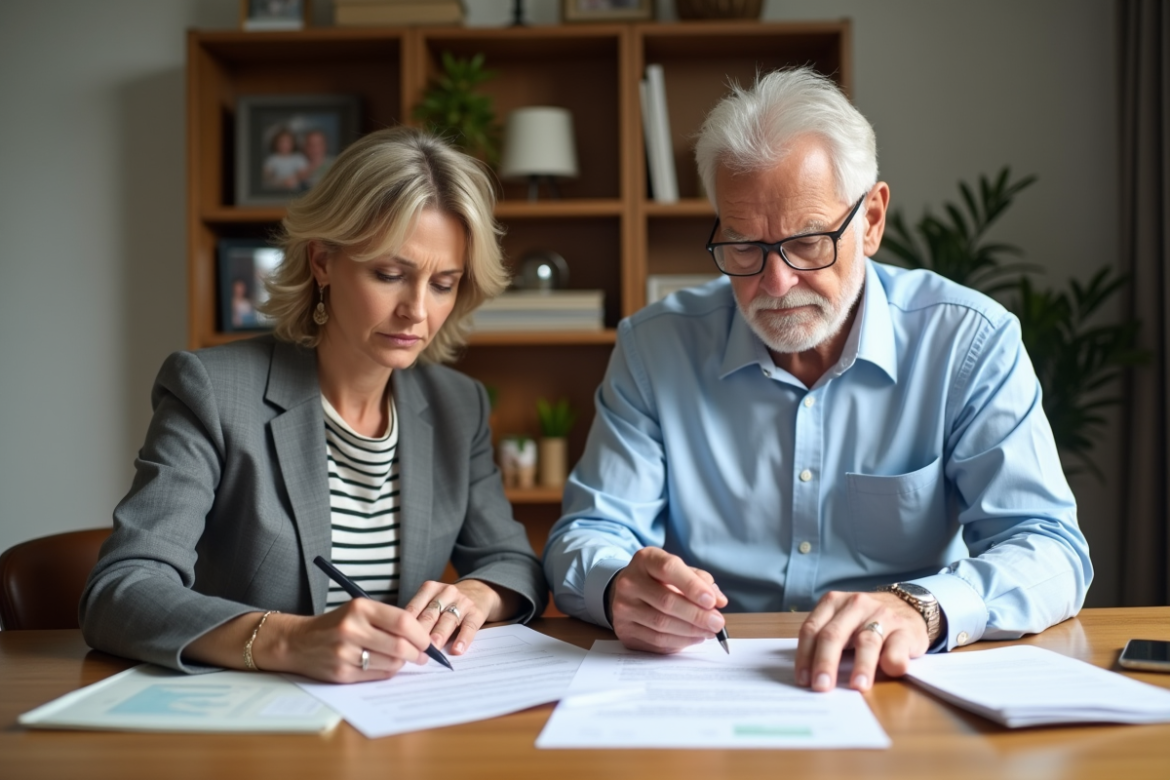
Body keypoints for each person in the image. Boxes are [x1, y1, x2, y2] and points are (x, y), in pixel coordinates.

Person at [543, 68, 1092, 694]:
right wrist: (618, 585)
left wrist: (923, 606)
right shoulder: (654, 347)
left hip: (891, 678)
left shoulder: (968, 343)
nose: (775, 284)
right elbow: (587, 535)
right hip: (706, 678)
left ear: (872, 220)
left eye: (807, 243)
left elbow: (1049, 548)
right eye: (743, 246)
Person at [82, 126, 547, 682]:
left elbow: (513, 564)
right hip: (249, 711)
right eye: (390, 275)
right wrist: (288, 640)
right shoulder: (211, 389)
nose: (417, 311)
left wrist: (477, 593)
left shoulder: (457, 404)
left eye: (443, 284)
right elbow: (122, 590)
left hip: (392, 708)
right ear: (323, 261)